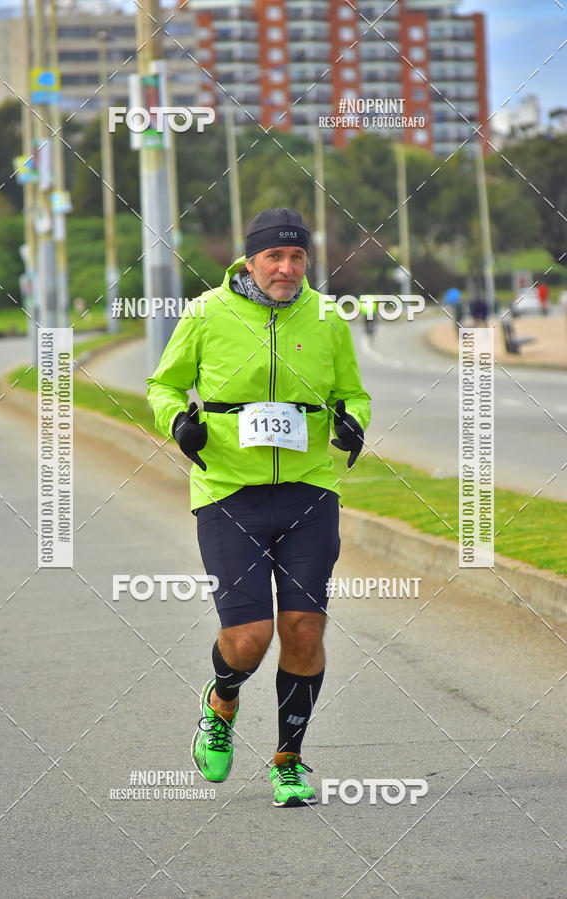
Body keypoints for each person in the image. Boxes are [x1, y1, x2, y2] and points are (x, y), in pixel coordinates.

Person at [147, 209, 371, 807]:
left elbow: (352, 392)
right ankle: (221, 703)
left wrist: (353, 423)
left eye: (297, 257)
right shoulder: (204, 314)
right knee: (248, 637)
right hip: (228, 493)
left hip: (309, 491)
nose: (287, 268)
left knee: (304, 627)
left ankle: (288, 760)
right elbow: (163, 385)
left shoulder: (326, 317)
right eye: (275, 256)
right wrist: (177, 422)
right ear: (251, 261)